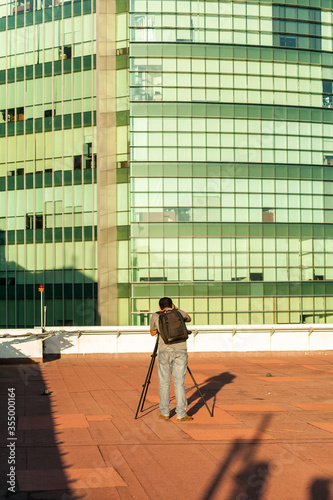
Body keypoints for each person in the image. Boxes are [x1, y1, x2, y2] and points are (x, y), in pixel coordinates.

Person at [150, 296, 193, 422]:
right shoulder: (179, 313)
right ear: (172, 305)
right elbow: (189, 318)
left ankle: (164, 412)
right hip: (180, 350)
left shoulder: (156, 315)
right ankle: (181, 414)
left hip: (164, 351)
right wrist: (176, 309)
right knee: (179, 383)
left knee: (164, 383)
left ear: (160, 307)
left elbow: (153, 332)